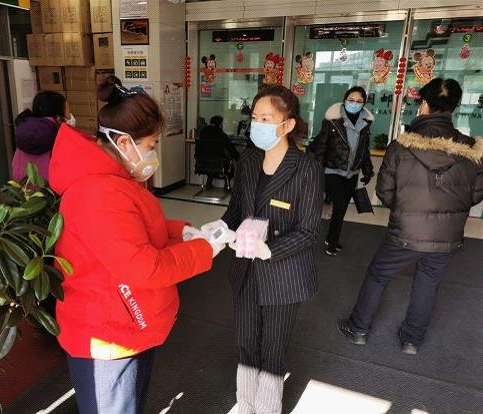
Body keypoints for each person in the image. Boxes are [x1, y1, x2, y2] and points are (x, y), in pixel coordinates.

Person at [48, 80, 232, 413]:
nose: (152, 154)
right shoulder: (98, 192)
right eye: (151, 144)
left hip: (123, 320)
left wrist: (184, 232)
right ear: (123, 142)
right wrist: (204, 249)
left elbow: (136, 229)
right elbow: (145, 268)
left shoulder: (112, 180)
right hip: (109, 331)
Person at [337, 78, 483, 355]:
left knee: (378, 275)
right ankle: (412, 340)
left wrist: (407, 210)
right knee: (428, 281)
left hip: (405, 231)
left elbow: (384, 192)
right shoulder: (472, 151)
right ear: (453, 108)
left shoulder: (401, 146)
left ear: (424, 104)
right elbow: (475, 195)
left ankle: (359, 329)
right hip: (447, 235)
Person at [202, 85, 324, 414]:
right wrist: (219, 229)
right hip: (246, 270)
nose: (257, 124)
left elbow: (308, 231)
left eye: (266, 119)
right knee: (245, 342)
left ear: (287, 124)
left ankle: (268, 408)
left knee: (272, 348)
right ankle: (245, 403)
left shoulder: (307, 168)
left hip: (283, 274)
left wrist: (269, 250)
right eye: (254, 117)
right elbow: (236, 210)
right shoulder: (249, 158)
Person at [308, 86, 375, 256]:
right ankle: (332, 242)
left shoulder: (365, 123)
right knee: (339, 205)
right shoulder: (333, 121)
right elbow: (320, 146)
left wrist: (368, 169)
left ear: (364, 104)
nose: (354, 104)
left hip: (352, 173)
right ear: (345, 100)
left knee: (343, 207)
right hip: (333, 170)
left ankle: (331, 237)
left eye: (359, 101)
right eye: (351, 100)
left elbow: (364, 149)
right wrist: (315, 170)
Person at [12, 90, 74, 182]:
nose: (70, 117)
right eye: (68, 111)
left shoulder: (26, 130)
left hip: (21, 186)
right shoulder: (57, 136)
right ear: (58, 117)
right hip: (47, 188)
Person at [197, 115, 240, 189]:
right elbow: (230, 149)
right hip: (219, 164)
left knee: (211, 161)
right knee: (230, 162)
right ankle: (227, 184)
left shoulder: (202, 133)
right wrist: (238, 157)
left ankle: (209, 182)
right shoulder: (221, 134)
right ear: (220, 124)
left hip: (203, 163)